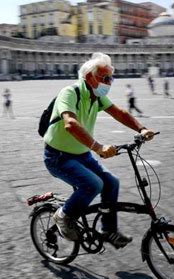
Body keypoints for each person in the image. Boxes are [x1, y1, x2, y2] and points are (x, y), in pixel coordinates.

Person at [43, 52, 155, 248]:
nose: (109, 82)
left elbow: (119, 113)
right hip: (58, 156)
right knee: (93, 185)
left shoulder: (96, 96)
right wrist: (98, 147)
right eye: (105, 78)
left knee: (111, 182)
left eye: (111, 78)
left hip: (81, 154)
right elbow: (70, 123)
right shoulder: (70, 92)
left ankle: (108, 230)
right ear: (89, 77)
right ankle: (63, 216)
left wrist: (141, 129)